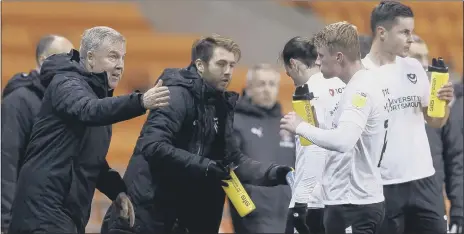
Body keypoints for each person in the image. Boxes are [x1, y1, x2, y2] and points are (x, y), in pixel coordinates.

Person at [101, 34, 293, 234]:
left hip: (183, 220)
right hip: (146, 217)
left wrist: (273, 173)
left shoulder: (222, 105)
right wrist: (207, 166)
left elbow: (233, 161)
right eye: (221, 64)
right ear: (200, 65)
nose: (228, 72)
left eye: (232, 65)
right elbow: (153, 145)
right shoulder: (175, 94)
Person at [8, 26, 171, 234]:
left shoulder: (98, 99)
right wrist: (140, 101)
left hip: (66, 214)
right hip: (42, 211)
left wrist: (116, 191)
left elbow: (89, 158)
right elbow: (88, 110)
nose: (120, 66)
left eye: (123, 58)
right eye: (113, 57)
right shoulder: (66, 82)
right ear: (91, 58)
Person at [281, 21, 387, 234]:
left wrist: (301, 127)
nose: (317, 63)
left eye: (320, 56)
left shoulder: (358, 91)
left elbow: (341, 142)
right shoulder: (362, 84)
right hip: (358, 198)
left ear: (338, 57)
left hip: (352, 202)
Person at [362, 1, 456, 233]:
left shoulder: (414, 67)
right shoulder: (360, 76)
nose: (411, 39)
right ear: (381, 33)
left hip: (425, 181)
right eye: (404, 32)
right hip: (383, 185)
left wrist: (442, 104)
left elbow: (435, 121)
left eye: (411, 32)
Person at [1, 34, 74, 233]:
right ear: (44, 60)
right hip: (23, 220)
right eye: (66, 57)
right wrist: (4, 222)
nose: (73, 65)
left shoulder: (64, 102)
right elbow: (6, 163)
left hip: (55, 219)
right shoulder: (19, 101)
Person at [280, 36, 346, 234]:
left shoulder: (305, 94)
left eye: (288, 70)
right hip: (345, 197)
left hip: (313, 200)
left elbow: (312, 149)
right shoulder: (344, 85)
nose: (287, 74)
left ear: (293, 63)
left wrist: (301, 199)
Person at [229, 64, 295, 233]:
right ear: (249, 88)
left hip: (288, 214)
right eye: (261, 84)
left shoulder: (288, 125)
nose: (267, 89)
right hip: (253, 218)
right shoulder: (234, 122)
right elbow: (229, 168)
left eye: (272, 84)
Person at [409, 35, 464, 233]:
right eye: (417, 57)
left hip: (431, 202)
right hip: (391, 201)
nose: (425, 64)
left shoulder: (441, 104)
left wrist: (458, 210)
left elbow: (455, 158)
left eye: (426, 57)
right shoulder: (386, 99)